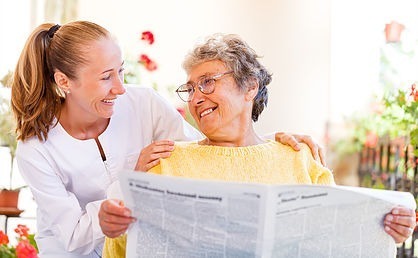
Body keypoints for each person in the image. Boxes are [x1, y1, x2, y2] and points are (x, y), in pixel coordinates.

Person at [11, 21, 325, 258]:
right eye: (106, 77)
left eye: (120, 72)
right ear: (64, 81)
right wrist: (131, 180)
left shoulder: (142, 103)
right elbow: (74, 235)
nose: (120, 87)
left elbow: (208, 147)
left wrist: (270, 145)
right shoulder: (36, 149)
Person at [99, 34, 416, 257]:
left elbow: (342, 240)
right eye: (190, 88)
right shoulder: (165, 162)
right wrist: (116, 227)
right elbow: (126, 252)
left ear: (250, 86)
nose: (195, 98)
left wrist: (386, 230)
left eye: (208, 82)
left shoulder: (300, 159)